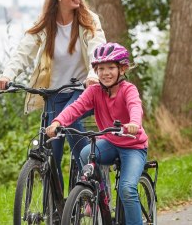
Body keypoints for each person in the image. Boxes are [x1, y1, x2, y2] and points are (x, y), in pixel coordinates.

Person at [0, 0, 106, 188]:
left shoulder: (89, 20)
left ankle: (92, 182)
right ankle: (55, 209)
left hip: (82, 89)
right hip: (53, 93)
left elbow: (98, 50)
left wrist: (93, 77)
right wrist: (7, 74)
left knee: (72, 122)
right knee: (50, 151)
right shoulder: (45, 23)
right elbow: (24, 51)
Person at [46, 42, 148, 225]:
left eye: (111, 68)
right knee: (86, 153)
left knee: (127, 189)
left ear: (122, 69)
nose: (105, 73)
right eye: (100, 68)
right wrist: (57, 122)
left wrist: (134, 123)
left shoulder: (128, 90)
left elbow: (135, 106)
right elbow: (75, 108)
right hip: (110, 142)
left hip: (133, 146)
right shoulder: (94, 91)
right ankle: (100, 194)